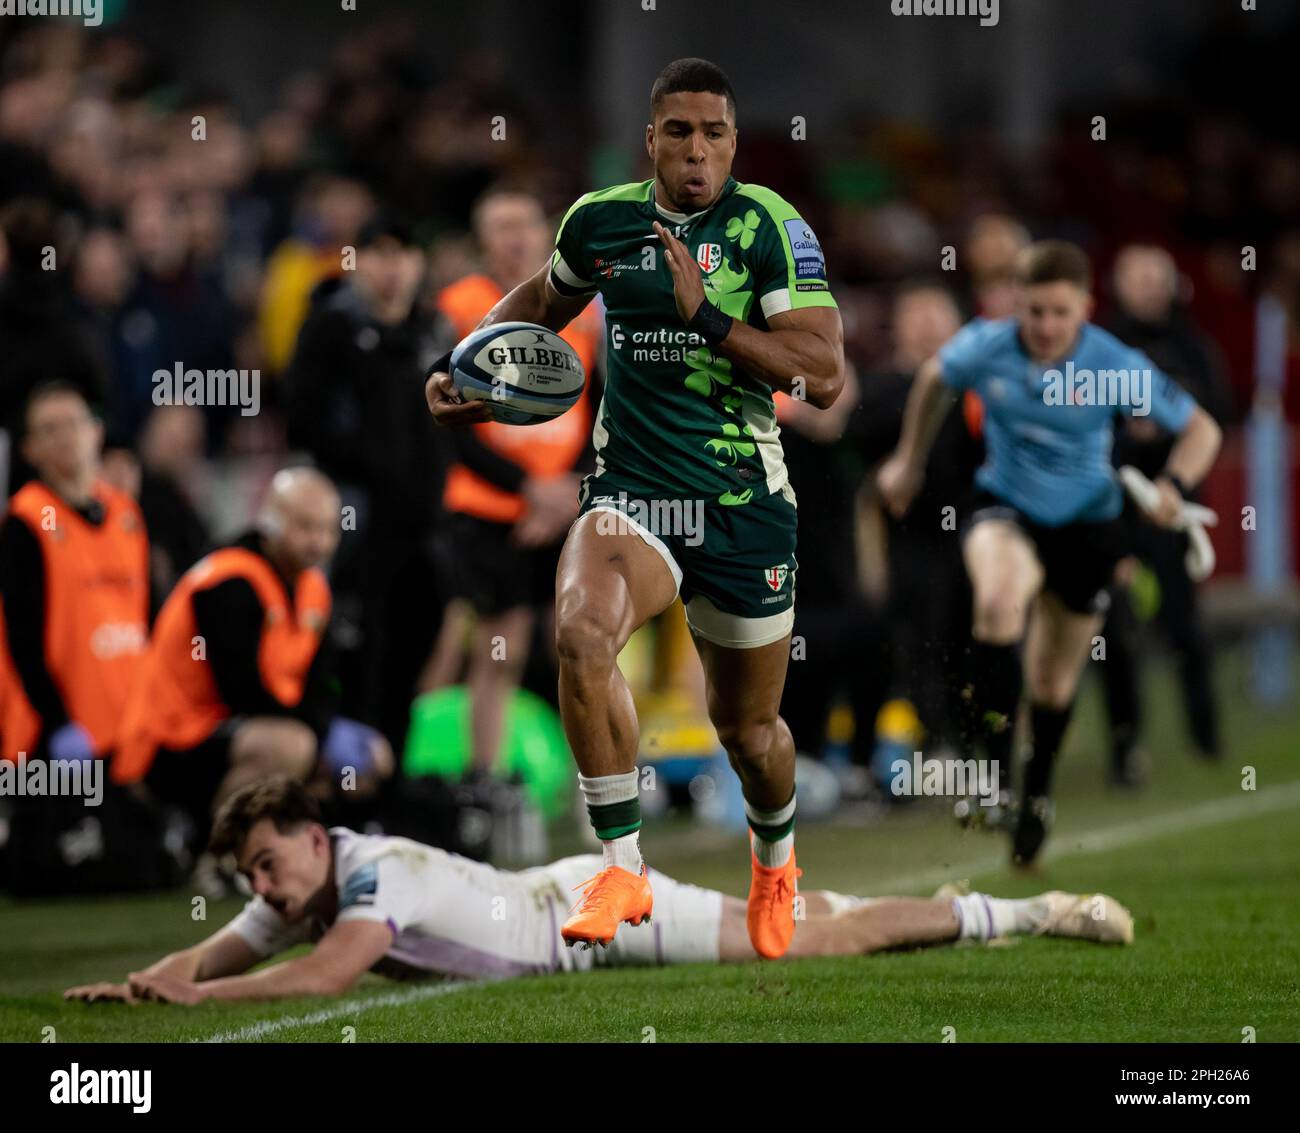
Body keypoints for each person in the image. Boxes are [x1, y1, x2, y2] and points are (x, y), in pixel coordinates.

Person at [425, 58, 846, 958]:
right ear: (651, 137)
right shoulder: (602, 219)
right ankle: (622, 864)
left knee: (751, 730)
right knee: (579, 635)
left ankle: (775, 857)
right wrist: (472, 361)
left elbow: (822, 371)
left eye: (716, 134)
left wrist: (707, 320)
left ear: (734, 142)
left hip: (742, 501)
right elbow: (544, 297)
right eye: (681, 132)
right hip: (634, 494)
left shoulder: (771, 227)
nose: (698, 151)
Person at [64, 776, 1133, 1005]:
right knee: (802, 925)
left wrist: (201, 999)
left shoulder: (370, 870)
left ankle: (1026, 911)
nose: (259, 887)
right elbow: (222, 951)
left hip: (590, 917)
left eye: (263, 864)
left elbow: (331, 972)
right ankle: (883, 901)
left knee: (805, 947)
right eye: (249, 875)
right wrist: (145, 980)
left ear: (308, 834)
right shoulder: (309, 875)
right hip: (562, 896)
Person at [877, 241, 1221, 866]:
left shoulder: (1113, 363)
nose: (1043, 327)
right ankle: (995, 778)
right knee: (1000, 600)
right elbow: (933, 379)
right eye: (1033, 311)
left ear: (1085, 308)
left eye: (1059, 313)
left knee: (1053, 682)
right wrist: (909, 460)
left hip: (1088, 525)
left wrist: (1172, 487)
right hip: (1005, 506)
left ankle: (1035, 794)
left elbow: (1202, 429)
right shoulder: (989, 344)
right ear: (1017, 305)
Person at [113, 467, 392, 850]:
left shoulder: (312, 587)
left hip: (247, 729)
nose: (320, 542)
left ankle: (298, 849)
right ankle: (219, 852)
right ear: (273, 521)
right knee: (293, 746)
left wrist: (329, 726)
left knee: (372, 756)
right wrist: (321, 732)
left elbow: (320, 680)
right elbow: (241, 691)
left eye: (328, 529)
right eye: (306, 527)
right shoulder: (229, 581)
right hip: (173, 739)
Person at [424, 186, 601, 775]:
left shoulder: (574, 306)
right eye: (501, 226)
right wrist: (528, 489)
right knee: (501, 648)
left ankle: (598, 780)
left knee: (581, 642)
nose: (516, 236)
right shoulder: (458, 305)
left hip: (562, 503)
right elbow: (447, 422)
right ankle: (487, 781)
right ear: (483, 240)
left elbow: (599, 405)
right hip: (487, 507)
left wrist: (569, 489)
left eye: (524, 222)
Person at [1099, 245, 1232, 782]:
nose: (1151, 286)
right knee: (1112, 633)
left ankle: (1207, 738)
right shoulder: (1100, 346)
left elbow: (1218, 415)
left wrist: (1172, 430)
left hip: (1174, 505)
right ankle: (1125, 751)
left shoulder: (1193, 346)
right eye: (1139, 276)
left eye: (1159, 276)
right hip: (1113, 507)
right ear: (1119, 282)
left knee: (1186, 628)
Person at [0, 382, 148, 766]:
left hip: (130, 723)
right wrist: (57, 721)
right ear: (30, 449)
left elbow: (146, 615)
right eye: (49, 429)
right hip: (57, 733)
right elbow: (22, 638)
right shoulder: (27, 521)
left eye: (73, 424)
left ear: (96, 431)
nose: (65, 437)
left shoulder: (126, 514)